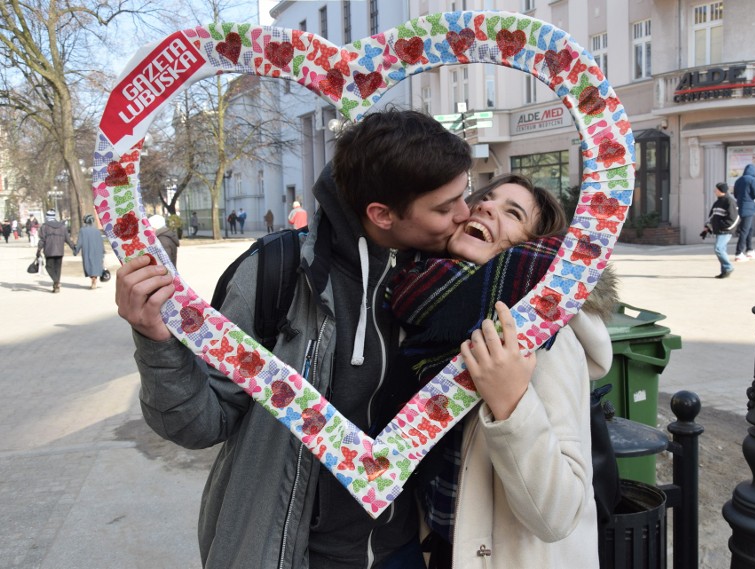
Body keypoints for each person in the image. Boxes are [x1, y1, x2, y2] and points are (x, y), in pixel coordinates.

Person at [114, 109, 472, 569]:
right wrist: (156, 341)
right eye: (445, 208)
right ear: (381, 214)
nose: (465, 214)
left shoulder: (456, 278)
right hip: (290, 553)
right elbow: (200, 422)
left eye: (463, 195)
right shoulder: (275, 274)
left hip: (407, 550)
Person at [384, 174, 613, 568]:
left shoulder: (543, 338)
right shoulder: (427, 307)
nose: (486, 207)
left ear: (532, 246)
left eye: (513, 212)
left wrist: (512, 403)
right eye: (486, 199)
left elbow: (559, 515)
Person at [702, 182, 739, 279]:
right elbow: (713, 216)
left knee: (718, 248)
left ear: (721, 191)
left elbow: (735, 218)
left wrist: (725, 227)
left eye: (716, 189)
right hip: (719, 230)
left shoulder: (729, 202)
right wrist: (707, 227)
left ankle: (728, 267)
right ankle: (724, 272)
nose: (714, 191)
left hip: (725, 230)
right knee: (722, 249)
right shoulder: (717, 202)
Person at [37, 209, 75, 292]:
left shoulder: (44, 226)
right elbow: (67, 239)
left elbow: (42, 240)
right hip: (59, 251)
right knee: (58, 269)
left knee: (48, 267)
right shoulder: (62, 226)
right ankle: (56, 286)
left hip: (49, 250)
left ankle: (56, 282)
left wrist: (39, 250)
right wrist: (73, 248)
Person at [733, 164, 755, 261]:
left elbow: (735, 194)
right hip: (749, 208)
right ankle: (739, 252)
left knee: (749, 229)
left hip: (741, 206)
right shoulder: (753, 180)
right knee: (745, 230)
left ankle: (750, 250)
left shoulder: (738, 180)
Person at [74, 214, 105, 289]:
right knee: (96, 265)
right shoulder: (97, 231)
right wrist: (103, 251)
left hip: (87, 250)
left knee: (89, 265)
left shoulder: (82, 230)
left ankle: (93, 279)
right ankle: (94, 279)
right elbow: (101, 242)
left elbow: (79, 242)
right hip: (97, 250)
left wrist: (76, 251)